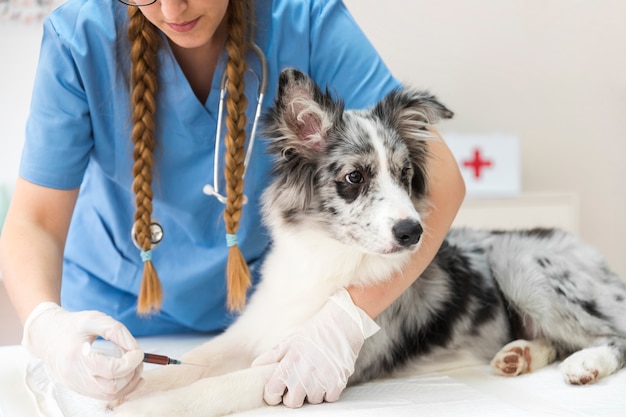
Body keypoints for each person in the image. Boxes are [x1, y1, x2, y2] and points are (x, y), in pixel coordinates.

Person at [0, 0, 465, 409]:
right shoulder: (80, 37)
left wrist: (348, 318)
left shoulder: (306, 17)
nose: (173, 10)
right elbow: (33, 220)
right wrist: (45, 325)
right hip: (114, 325)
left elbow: (443, 187)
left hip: (266, 312)